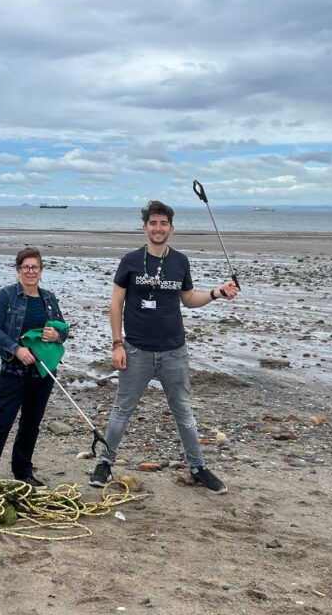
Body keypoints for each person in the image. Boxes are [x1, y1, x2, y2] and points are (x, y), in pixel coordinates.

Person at [89, 200, 239, 494]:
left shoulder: (180, 261)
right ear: (145, 227)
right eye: (153, 223)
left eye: (163, 223)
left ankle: (198, 468)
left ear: (171, 228)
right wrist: (117, 343)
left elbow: (189, 299)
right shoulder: (130, 261)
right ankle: (105, 462)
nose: (158, 228)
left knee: (183, 411)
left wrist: (217, 293)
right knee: (122, 409)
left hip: (174, 351)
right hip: (136, 350)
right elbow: (116, 303)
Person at [0, 247, 67, 489]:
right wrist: (16, 349)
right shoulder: (7, 295)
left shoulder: (49, 298)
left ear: (41, 270)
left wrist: (57, 334)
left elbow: (64, 330)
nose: (31, 271)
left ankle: (23, 471)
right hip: (13, 372)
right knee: (2, 421)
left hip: (43, 372)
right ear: (18, 270)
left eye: (35, 267)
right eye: (26, 267)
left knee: (31, 424)